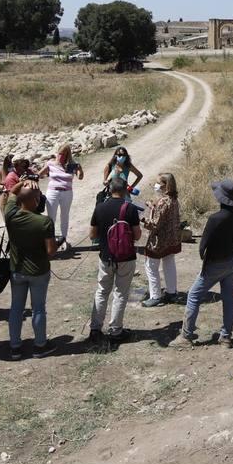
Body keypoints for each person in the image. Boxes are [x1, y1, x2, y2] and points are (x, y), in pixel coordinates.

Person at [169, 179, 233, 349]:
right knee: (228, 298)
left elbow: (203, 247)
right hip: (231, 260)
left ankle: (186, 336)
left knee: (194, 296)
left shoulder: (215, 218)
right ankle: (226, 337)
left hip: (214, 264)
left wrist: (205, 258)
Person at [3, 179, 57, 359]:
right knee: (38, 308)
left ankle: (15, 347)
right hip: (39, 271)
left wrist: (23, 183)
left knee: (16, 308)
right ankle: (40, 345)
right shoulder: (44, 222)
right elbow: (50, 252)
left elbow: (11, 193)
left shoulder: (11, 215)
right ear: (36, 200)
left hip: (17, 271)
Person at [88, 175, 142, 341]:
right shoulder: (130, 208)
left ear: (110, 190)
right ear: (126, 189)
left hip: (106, 256)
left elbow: (92, 235)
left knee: (102, 291)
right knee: (120, 293)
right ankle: (116, 330)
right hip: (126, 256)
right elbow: (138, 235)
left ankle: (95, 329)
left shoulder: (100, 208)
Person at [140, 172, 182, 308]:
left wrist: (141, 219)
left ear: (166, 186)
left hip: (160, 240)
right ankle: (171, 292)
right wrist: (153, 207)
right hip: (172, 239)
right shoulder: (174, 199)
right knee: (169, 263)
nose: (156, 185)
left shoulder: (163, 202)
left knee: (151, 266)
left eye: (159, 183)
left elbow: (155, 224)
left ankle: (155, 296)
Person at [42, 144, 82, 251]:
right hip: (53, 192)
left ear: (68, 155)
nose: (61, 156)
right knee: (51, 218)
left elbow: (80, 177)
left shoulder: (71, 165)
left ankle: (63, 239)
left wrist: (79, 169)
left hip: (67, 192)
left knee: (65, 216)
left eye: (64, 154)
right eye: (60, 153)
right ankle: (51, 242)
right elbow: (40, 174)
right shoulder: (50, 164)